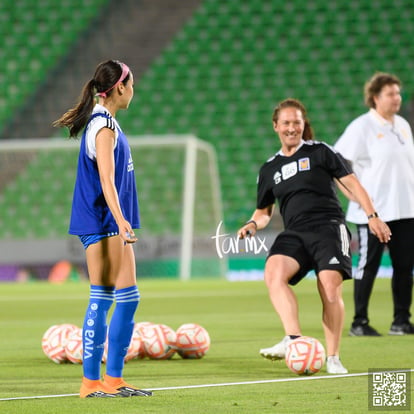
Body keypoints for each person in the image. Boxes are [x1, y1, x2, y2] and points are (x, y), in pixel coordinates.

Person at [237, 98, 391, 374]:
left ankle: (333, 357)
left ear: (303, 124)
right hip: (294, 232)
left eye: (297, 122)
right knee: (274, 272)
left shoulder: (321, 151)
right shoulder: (269, 168)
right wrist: (252, 224)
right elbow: (263, 211)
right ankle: (293, 340)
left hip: (328, 227)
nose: (292, 128)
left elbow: (352, 184)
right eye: (286, 123)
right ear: (276, 126)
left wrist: (372, 215)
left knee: (329, 286)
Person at [53, 60, 152, 398]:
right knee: (103, 295)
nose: (134, 91)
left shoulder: (106, 121)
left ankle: (113, 379)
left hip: (109, 220)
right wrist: (121, 220)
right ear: (120, 88)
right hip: (102, 220)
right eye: (133, 84)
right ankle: (90, 382)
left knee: (128, 297)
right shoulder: (104, 126)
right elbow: (107, 179)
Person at [334, 72, 414, 337]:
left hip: (405, 210)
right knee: (368, 266)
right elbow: (339, 164)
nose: (396, 98)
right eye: (390, 94)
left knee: (405, 266)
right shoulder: (362, 127)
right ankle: (359, 322)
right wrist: (354, 197)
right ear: (375, 98)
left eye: (398, 93)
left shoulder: (402, 124)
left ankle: (401, 321)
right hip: (374, 213)